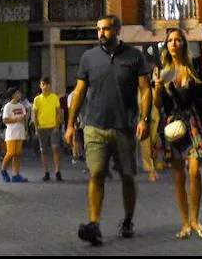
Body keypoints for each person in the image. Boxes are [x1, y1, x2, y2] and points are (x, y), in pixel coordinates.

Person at [65, 15, 152, 246]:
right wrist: (71, 124)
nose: (101, 33)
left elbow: (145, 90)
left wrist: (144, 119)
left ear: (117, 30)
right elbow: (80, 91)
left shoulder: (134, 56)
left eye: (106, 29)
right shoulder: (88, 58)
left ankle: (127, 221)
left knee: (127, 176)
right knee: (96, 174)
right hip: (94, 126)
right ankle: (94, 224)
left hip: (124, 126)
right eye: (98, 29)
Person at [151, 28, 202, 239]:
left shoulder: (196, 65)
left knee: (195, 172)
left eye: (178, 40)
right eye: (170, 40)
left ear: (184, 43)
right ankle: (185, 223)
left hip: (196, 121)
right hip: (175, 125)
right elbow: (158, 105)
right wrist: (158, 90)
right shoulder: (164, 71)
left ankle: (196, 219)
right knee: (179, 176)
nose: (173, 43)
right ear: (166, 45)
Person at [33, 77, 64, 182]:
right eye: (43, 84)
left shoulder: (54, 97)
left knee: (55, 149)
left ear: (50, 86)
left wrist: (57, 126)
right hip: (42, 128)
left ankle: (57, 171)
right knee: (43, 151)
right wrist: (36, 129)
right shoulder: (37, 99)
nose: (45, 86)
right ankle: (46, 172)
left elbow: (58, 112)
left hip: (53, 127)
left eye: (47, 84)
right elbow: (35, 115)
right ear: (40, 86)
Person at [0, 88, 30, 182]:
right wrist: (17, 120)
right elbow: (5, 120)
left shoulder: (21, 106)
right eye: (17, 93)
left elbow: (24, 119)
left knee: (17, 154)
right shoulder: (7, 106)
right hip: (11, 133)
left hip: (20, 132)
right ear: (13, 95)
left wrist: (26, 130)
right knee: (11, 152)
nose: (19, 94)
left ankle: (16, 174)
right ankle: (3, 170)